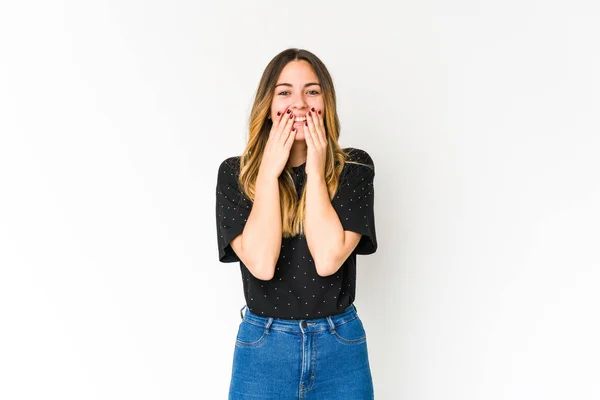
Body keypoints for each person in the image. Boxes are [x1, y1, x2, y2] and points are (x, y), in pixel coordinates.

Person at [215, 48, 378, 399]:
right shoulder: (235, 174)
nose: (300, 103)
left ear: (326, 101)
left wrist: (316, 170)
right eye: (285, 91)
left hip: (340, 345)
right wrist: (270, 174)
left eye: (312, 91)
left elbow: (328, 259)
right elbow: (261, 264)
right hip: (263, 348)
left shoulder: (355, 169)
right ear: (268, 105)